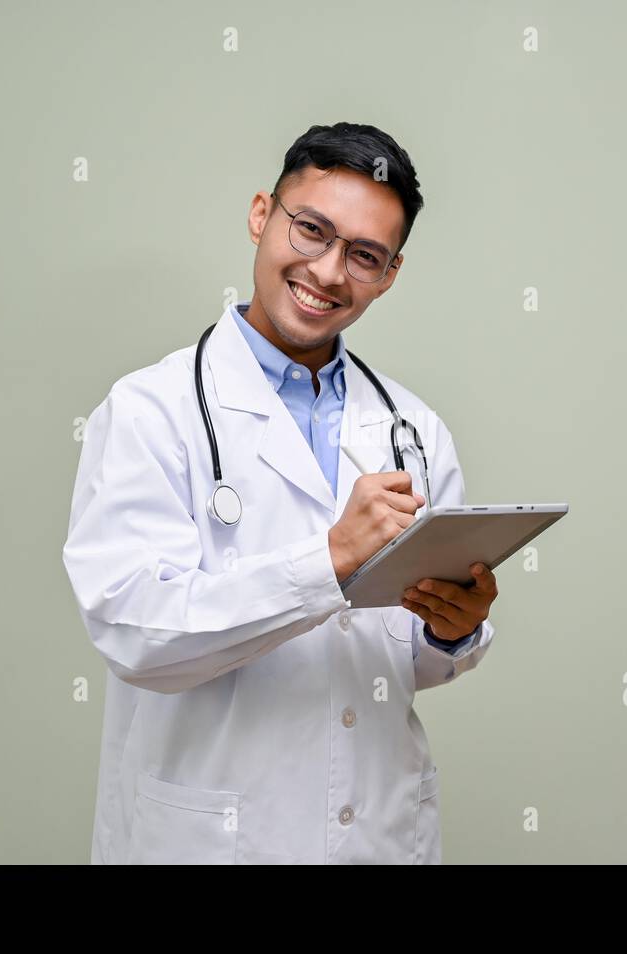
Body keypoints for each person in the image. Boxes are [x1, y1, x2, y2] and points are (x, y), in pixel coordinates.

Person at [62, 122, 498, 864]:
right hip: (209, 840)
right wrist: (326, 562)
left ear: (390, 274)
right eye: (311, 230)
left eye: (364, 255)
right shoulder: (151, 411)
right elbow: (136, 636)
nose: (329, 272)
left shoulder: (411, 428)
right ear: (262, 215)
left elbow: (406, 663)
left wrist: (451, 630)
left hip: (379, 836)